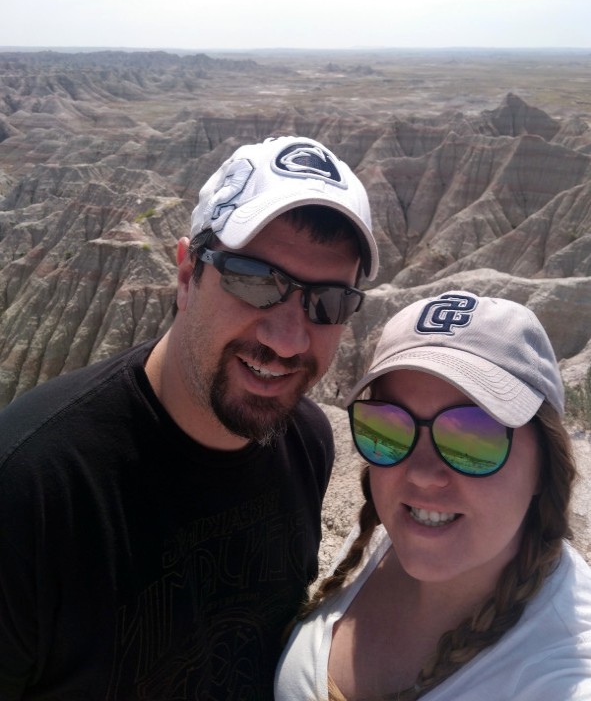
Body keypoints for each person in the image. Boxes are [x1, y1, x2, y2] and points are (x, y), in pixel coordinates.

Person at [0, 135, 379, 700]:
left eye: (327, 302)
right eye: (255, 281)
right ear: (186, 275)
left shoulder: (306, 441)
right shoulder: (33, 486)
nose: (288, 339)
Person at [275, 291, 591, 700]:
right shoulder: (383, 539)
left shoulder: (562, 673)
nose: (422, 476)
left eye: (473, 438)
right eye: (388, 428)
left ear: (544, 467)